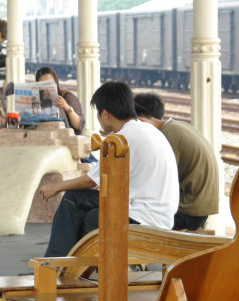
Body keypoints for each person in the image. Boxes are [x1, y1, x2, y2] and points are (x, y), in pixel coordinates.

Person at [39, 81, 178, 257]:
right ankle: (63, 265)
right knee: (77, 200)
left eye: (98, 114)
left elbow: (91, 181)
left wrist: (56, 186)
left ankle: (57, 266)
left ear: (105, 114)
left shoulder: (124, 138)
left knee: (87, 213)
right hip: (160, 216)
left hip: (146, 218)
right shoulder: (145, 130)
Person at [134, 93, 220, 231]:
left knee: (131, 218)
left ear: (141, 121)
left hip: (190, 211)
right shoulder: (176, 126)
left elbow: (156, 182)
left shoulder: (166, 137)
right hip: (200, 205)